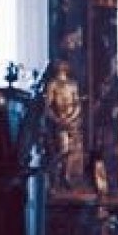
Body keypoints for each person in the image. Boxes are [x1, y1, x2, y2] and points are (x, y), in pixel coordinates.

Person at [45, 60, 84, 191]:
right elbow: (48, 106)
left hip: (72, 121)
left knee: (73, 151)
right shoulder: (53, 85)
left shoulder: (72, 85)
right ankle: (56, 178)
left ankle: (67, 177)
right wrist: (57, 119)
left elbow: (77, 104)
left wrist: (72, 117)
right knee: (63, 149)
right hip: (59, 121)